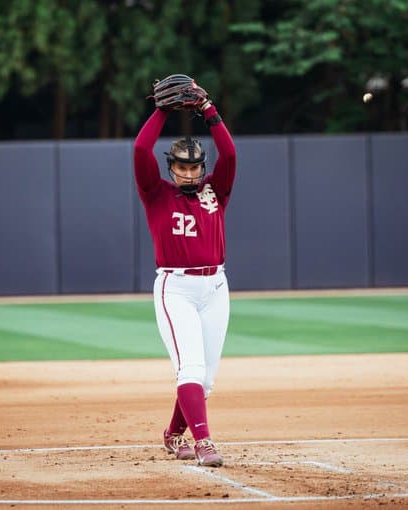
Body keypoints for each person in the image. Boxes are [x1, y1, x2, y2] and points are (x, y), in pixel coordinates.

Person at [133, 82, 236, 467]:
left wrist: (209, 109)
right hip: (176, 287)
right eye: (182, 166)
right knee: (190, 367)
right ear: (171, 168)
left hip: (216, 286)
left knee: (205, 379)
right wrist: (163, 111)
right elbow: (140, 150)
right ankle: (204, 442)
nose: (189, 173)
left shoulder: (216, 192)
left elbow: (230, 153)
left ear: (202, 168)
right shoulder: (155, 193)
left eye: (194, 167)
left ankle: (174, 435)